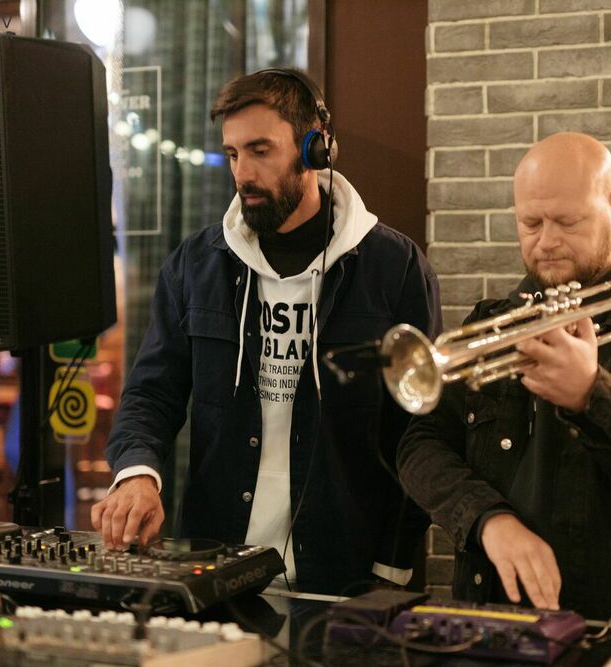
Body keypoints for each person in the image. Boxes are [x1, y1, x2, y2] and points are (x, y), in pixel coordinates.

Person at [93, 68, 440, 594]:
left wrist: (392, 568)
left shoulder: (396, 269)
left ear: (316, 148)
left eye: (260, 151)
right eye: (233, 154)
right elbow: (150, 394)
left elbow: (421, 429)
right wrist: (137, 472)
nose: (243, 173)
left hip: (347, 576)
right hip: (214, 566)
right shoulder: (195, 266)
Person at [397, 132, 611, 666]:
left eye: (568, 222)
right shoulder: (490, 324)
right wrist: (487, 520)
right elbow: (419, 448)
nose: (546, 242)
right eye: (530, 223)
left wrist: (592, 396)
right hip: (497, 627)